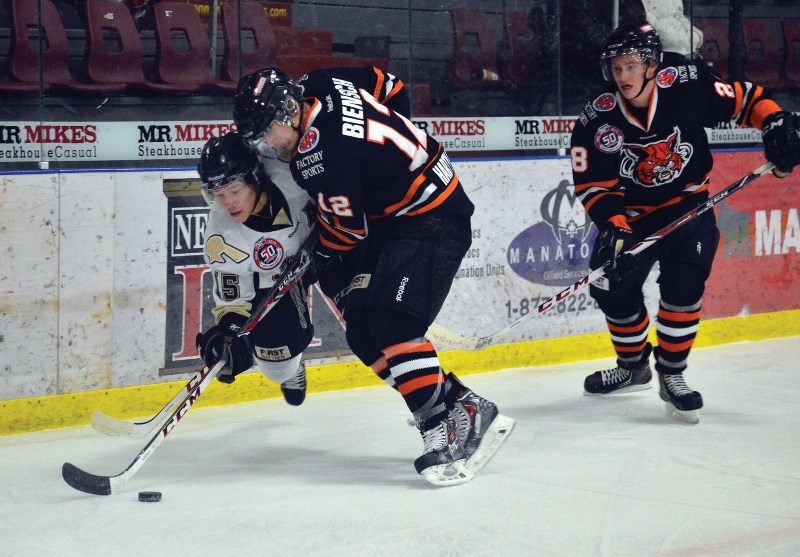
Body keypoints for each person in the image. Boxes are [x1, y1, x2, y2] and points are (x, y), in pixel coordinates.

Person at [232, 66, 514, 486]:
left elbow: (348, 232)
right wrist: (387, 161)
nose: (266, 146)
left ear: (288, 111)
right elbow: (391, 85)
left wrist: (320, 256)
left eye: (265, 134)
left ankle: (440, 421)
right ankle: (461, 403)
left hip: (433, 218)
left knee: (392, 322)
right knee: (364, 333)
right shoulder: (320, 82)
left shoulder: (318, 158)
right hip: (401, 215)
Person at [569, 23, 800, 423]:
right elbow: (595, 186)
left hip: (688, 211)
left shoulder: (687, 86)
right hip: (633, 221)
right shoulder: (596, 121)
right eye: (616, 68)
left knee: (684, 288)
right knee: (613, 291)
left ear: (653, 65)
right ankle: (632, 367)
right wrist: (616, 227)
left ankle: (672, 375)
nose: (622, 76)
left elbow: (746, 100)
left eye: (631, 66)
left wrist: (775, 123)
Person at [195, 131, 316, 406]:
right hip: (277, 276)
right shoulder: (221, 236)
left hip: (330, 243)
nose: (228, 203)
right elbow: (234, 301)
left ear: (254, 178)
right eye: (218, 195)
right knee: (277, 368)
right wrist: (228, 333)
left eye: (235, 191)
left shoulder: (291, 174)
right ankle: (291, 369)